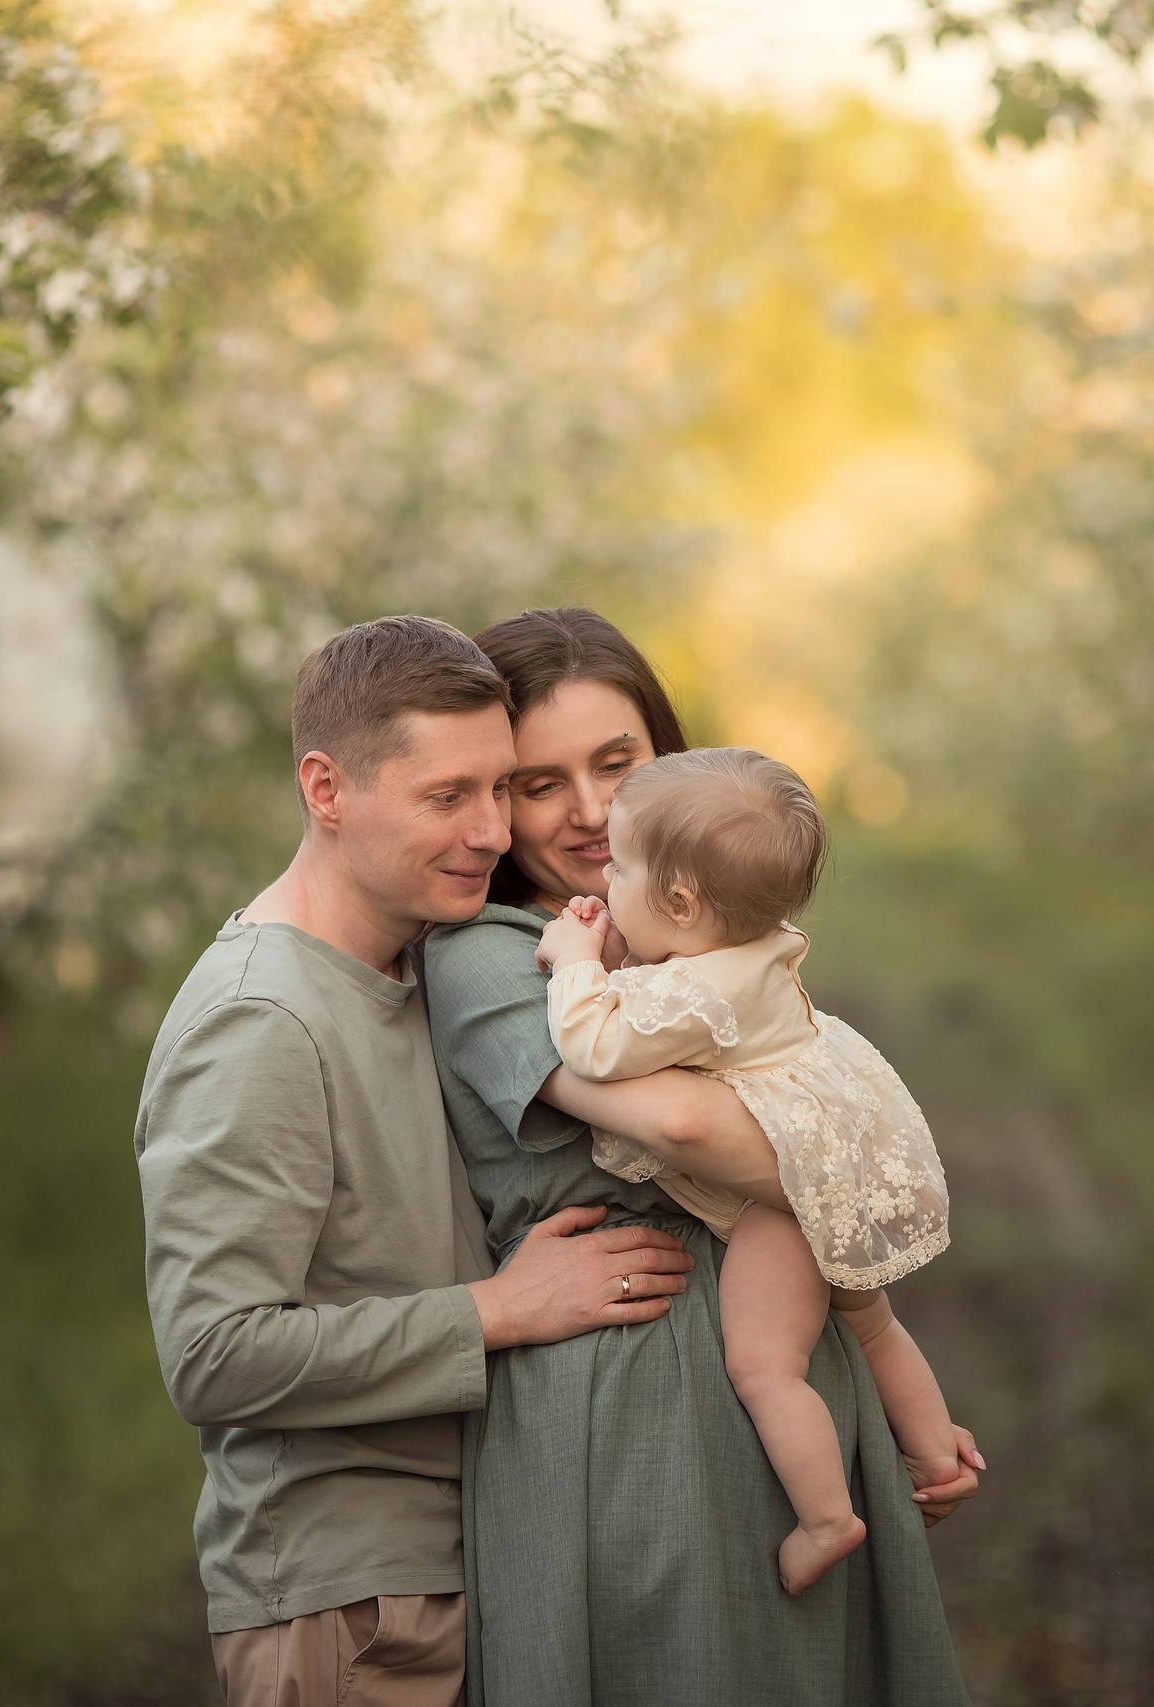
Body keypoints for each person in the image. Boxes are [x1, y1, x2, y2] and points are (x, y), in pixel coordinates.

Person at [135, 615, 700, 1707]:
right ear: (326, 788)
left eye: (501, 789)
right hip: (346, 1606)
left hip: (448, 1568)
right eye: (449, 798)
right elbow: (213, 1354)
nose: (491, 831)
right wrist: (496, 1310)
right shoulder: (260, 1020)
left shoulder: (402, 969)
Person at [421, 607, 979, 1707]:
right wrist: (869, 1164)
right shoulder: (490, 959)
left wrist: (885, 1377)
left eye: (617, 764)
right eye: (539, 782)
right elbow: (694, 1128)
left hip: (782, 1371)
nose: (588, 812)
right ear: (492, 794)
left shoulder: (702, 941)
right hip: (627, 1398)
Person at [534, 746, 959, 1597]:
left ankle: (826, 1518)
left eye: (620, 866)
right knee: (870, 1325)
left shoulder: (699, 993)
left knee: (764, 1364)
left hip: (789, 1203)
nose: (604, 880)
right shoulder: (749, 947)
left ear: (683, 903)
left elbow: (593, 1043)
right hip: (827, 1146)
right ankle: (940, 1452)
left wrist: (575, 958)